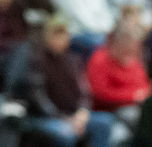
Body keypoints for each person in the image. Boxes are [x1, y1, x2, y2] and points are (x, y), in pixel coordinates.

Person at [6, 13, 115, 147]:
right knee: (65, 134)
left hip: (74, 116)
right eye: (56, 35)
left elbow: (84, 91)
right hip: (44, 117)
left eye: (63, 34)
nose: (61, 39)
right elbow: (38, 99)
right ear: (47, 36)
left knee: (104, 121)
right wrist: (64, 118)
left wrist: (82, 111)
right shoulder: (36, 61)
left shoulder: (73, 60)